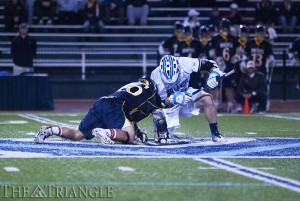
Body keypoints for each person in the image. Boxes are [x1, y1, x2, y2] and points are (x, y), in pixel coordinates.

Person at [35, 78, 170, 145]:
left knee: (78, 135)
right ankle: (105, 132)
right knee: (130, 138)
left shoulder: (136, 85)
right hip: (116, 106)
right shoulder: (152, 96)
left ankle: (49, 131)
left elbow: (128, 117)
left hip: (102, 102)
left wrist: (138, 130)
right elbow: (158, 117)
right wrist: (162, 136)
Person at [150, 55, 226, 143]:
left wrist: (214, 73)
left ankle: (215, 134)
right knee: (163, 139)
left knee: (207, 98)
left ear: (178, 69)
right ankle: (164, 131)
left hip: (185, 94)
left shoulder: (185, 63)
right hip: (168, 105)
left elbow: (210, 64)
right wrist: (172, 99)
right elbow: (157, 104)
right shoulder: (155, 76)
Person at [209, 18, 239, 112]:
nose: (225, 29)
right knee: (217, 84)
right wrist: (216, 59)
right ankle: (217, 103)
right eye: (223, 27)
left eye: (226, 28)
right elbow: (212, 51)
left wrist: (236, 57)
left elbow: (239, 50)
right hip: (218, 64)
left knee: (228, 85)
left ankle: (230, 104)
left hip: (230, 65)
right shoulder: (216, 38)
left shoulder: (233, 38)